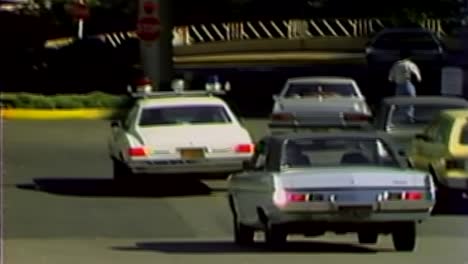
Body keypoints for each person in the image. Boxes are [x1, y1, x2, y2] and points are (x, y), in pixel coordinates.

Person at [388, 49, 422, 121]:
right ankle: (409, 117)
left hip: (399, 85)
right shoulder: (410, 64)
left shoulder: (396, 65)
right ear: (409, 57)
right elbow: (418, 77)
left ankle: (401, 117)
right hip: (408, 84)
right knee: (411, 102)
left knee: (400, 103)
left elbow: (390, 78)